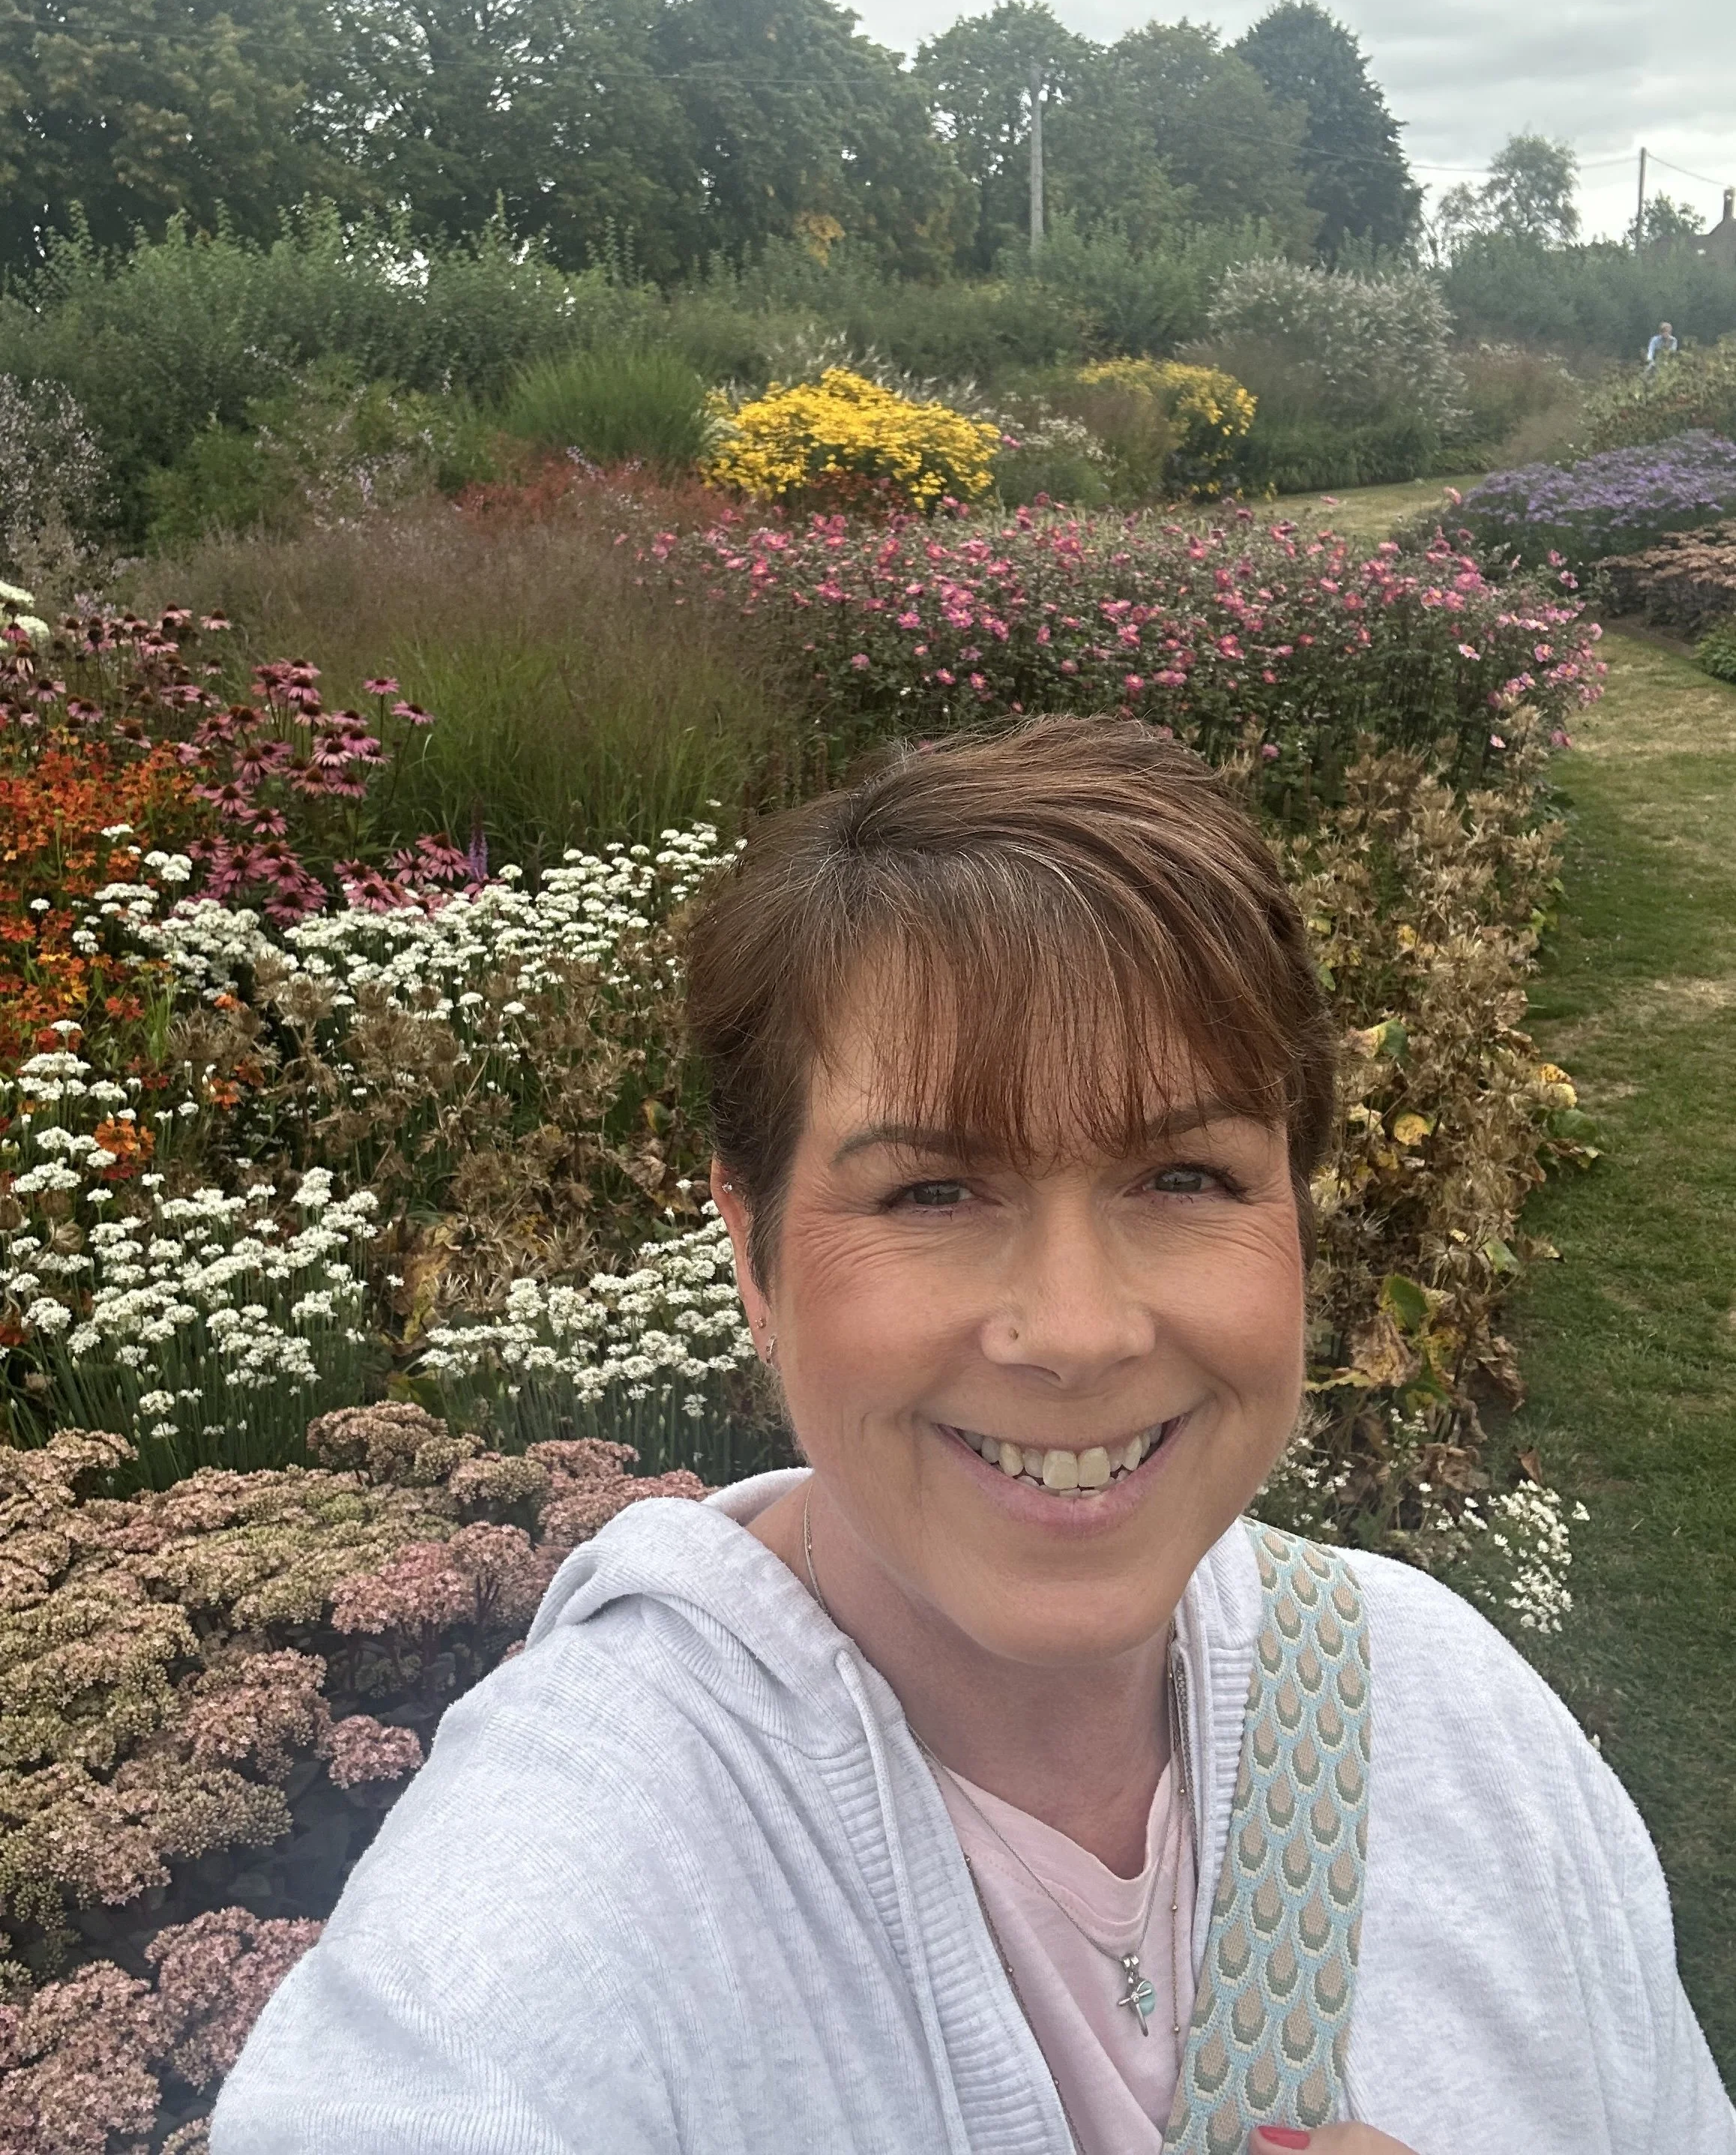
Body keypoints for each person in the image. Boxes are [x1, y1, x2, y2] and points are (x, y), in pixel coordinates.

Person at [213, 720, 1735, 2155]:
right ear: (752, 1252)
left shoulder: (1450, 1709)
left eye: (1186, 1176)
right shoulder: (554, 1893)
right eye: (933, 1192)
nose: (1076, 1329)